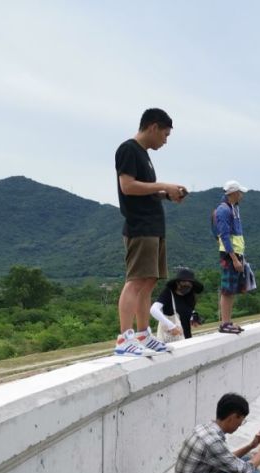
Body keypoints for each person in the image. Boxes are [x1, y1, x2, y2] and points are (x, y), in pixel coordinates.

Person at [114, 108, 189, 357]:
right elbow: (128, 187)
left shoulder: (144, 155)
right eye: (165, 135)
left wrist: (165, 194)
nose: (165, 141)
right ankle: (124, 338)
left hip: (154, 226)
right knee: (135, 281)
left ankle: (143, 334)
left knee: (148, 281)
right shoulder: (128, 149)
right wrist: (163, 185)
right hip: (140, 226)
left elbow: (143, 189)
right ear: (153, 127)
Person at [214, 180, 250, 334]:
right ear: (233, 193)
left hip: (237, 253)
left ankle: (228, 321)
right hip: (230, 255)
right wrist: (234, 258)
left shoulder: (234, 208)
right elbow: (224, 235)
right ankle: (224, 323)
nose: (242, 195)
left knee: (232, 289)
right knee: (227, 289)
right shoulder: (223, 210)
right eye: (240, 192)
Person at [150, 267, 204, 340]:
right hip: (171, 339)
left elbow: (186, 311)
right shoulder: (169, 293)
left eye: (189, 283)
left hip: (186, 338)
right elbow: (153, 310)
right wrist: (171, 326)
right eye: (184, 282)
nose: (187, 285)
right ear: (177, 282)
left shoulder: (190, 296)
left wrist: (194, 317)